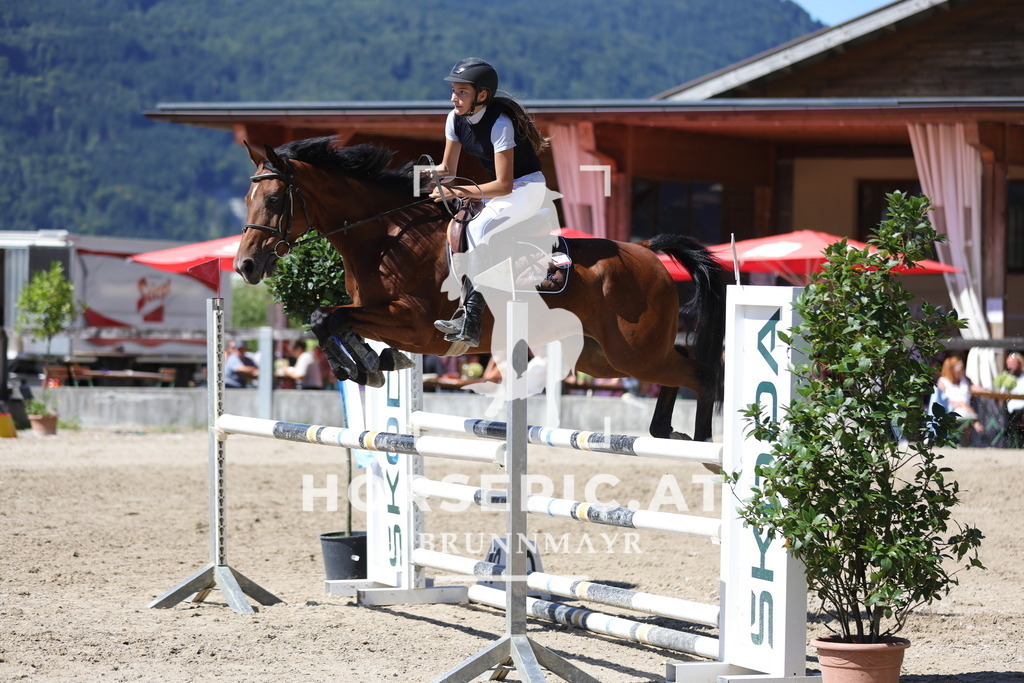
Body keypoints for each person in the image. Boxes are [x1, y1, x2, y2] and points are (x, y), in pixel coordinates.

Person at [427, 58, 552, 348]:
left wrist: (460, 192)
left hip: (526, 189)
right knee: (455, 225)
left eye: (462, 92)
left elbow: (504, 185)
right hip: (500, 190)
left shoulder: (500, 124)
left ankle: (471, 320)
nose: (454, 98)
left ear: (482, 95)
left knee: (479, 228)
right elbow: (447, 169)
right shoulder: (454, 119)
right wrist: (412, 182)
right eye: (454, 91)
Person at [934, 355, 983, 439]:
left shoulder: (965, 380)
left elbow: (974, 387)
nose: (962, 372)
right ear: (952, 370)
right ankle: (975, 424)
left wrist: (989, 390)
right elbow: (940, 400)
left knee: (965, 411)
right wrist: (960, 404)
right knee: (963, 411)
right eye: (960, 370)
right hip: (950, 409)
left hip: (965, 408)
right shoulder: (942, 382)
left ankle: (968, 435)